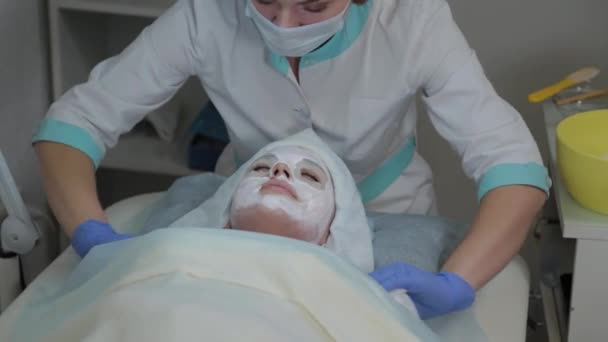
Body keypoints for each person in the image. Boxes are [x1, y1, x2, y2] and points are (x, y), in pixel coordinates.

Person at [33, 0, 550, 320]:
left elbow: (514, 167)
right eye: (263, 1)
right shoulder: (204, 13)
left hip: (390, 207)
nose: (284, 22)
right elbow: (73, 125)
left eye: (313, 5)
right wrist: (91, 234)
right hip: (237, 216)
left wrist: (457, 282)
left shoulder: (413, 21)